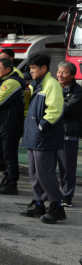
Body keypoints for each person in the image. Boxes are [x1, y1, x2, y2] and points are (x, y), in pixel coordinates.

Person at [19, 54, 66, 223]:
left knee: (45, 174)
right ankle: (39, 202)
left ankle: (57, 206)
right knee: (34, 173)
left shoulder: (51, 84)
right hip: (35, 137)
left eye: (33, 69)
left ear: (44, 68)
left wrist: (41, 127)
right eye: (30, 69)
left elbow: (55, 110)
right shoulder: (38, 84)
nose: (30, 72)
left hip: (44, 137)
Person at [0, 57, 26, 195]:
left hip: (10, 126)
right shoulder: (3, 80)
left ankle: (11, 184)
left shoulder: (11, 82)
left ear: (8, 69)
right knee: (5, 155)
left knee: (10, 156)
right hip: (4, 124)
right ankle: (7, 180)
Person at [56, 61, 81, 207]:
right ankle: (53, 193)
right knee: (49, 165)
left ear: (72, 75)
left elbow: (66, 110)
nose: (60, 75)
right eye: (59, 71)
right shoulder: (54, 87)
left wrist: (53, 103)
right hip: (53, 133)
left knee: (67, 168)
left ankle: (67, 196)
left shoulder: (77, 91)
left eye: (64, 72)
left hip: (68, 133)